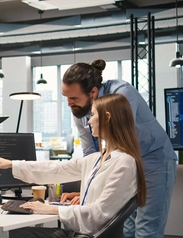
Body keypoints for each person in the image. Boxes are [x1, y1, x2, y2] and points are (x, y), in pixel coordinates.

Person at [0, 94, 146, 237]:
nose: (89, 121)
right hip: (80, 232)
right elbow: (57, 168)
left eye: (93, 115)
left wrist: (52, 209)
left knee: (4, 235)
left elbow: (97, 215)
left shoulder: (124, 162)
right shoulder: (98, 158)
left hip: (86, 234)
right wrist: (12, 164)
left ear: (107, 117)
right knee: (7, 234)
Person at [61, 59, 177, 238]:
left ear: (93, 92)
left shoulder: (121, 93)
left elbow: (120, 138)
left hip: (153, 160)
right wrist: (89, 188)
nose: (69, 103)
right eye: (66, 97)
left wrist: (100, 187)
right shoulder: (80, 109)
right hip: (125, 161)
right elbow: (91, 154)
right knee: (125, 227)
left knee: (147, 228)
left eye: (74, 98)